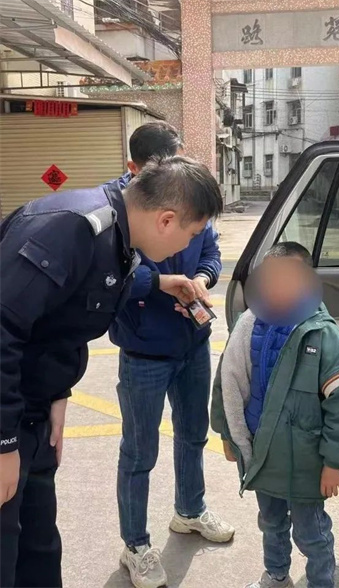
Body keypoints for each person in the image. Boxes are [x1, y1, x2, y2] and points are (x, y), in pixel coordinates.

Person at [0, 155, 223, 588]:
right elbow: (4, 328)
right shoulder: (71, 229)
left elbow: (59, 323)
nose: (188, 247)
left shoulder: (119, 241)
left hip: (34, 412)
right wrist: (4, 442)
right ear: (166, 220)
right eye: (192, 234)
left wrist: (58, 396)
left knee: (38, 547)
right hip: (9, 419)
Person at [107, 122, 234, 588]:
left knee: (193, 434)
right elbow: (112, 275)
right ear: (135, 169)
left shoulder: (191, 196)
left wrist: (202, 279)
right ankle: (136, 545)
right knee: (139, 452)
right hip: (144, 351)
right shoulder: (118, 212)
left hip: (192, 343)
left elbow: (212, 251)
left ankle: (190, 510)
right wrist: (162, 283)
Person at [211, 242, 339, 588]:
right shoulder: (249, 325)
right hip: (263, 454)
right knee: (271, 523)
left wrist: (334, 462)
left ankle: (320, 582)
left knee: (311, 533)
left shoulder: (322, 335)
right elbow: (227, 381)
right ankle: (276, 574)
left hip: (304, 462)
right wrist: (227, 433)